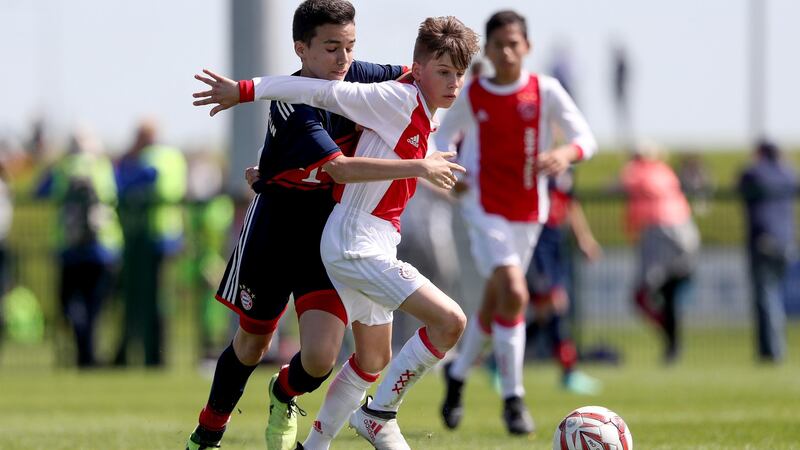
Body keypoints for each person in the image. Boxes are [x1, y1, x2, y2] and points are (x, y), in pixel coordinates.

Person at [194, 14, 480, 450]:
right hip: (280, 226)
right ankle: (208, 433)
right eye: (331, 47)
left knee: (324, 357)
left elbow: (414, 77)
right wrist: (245, 92)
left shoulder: (366, 75)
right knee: (252, 342)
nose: (344, 57)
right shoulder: (300, 104)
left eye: (349, 45)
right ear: (301, 49)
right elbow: (339, 167)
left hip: (329, 224)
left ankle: (287, 398)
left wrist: (441, 139)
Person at [433, 10, 597, 435]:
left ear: (528, 47)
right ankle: (513, 398)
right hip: (483, 209)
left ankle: (457, 375)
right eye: (499, 44)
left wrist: (565, 155)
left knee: (496, 302)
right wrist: (453, 177)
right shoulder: (474, 95)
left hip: (530, 212)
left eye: (514, 43)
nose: (507, 51)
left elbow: (585, 138)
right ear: (487, 50)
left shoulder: (546, 90)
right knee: (516, 291)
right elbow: (442, 139)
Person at [35, 127, 122, 368]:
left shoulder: (63, 168)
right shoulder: (103, 166)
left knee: (71, 304)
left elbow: (40, 191)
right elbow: (120, 191)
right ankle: (89, 356)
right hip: (103, 248)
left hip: (70, 249)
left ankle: (85, 354)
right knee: (95, 307)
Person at [114, 119, 187, 367]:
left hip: (151, 237)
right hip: (169, 235)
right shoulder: (174, 156)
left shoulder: (150, 157)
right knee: (159, 301)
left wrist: (128, 159)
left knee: (148, 301)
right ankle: (155, 356)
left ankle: (151, 356)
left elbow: (134, 182)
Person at [621, 142, 699, 363]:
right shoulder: (665, 172)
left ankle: (670, 339)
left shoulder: (639, 172)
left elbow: (621, 184)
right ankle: (672, 344)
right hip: (684, 235)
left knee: (643, 295)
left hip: (660, 235)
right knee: (667, 296)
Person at [525, 168, 602, 394]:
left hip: (556, 241)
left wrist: (584, 239)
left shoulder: (564, 166)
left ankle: (497, 361)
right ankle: (568, 371)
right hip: (537, 241)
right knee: (555, 305)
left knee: (545, 311)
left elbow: (570, 204)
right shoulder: (535, 159)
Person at [738, 140, 798, 363]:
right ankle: (767, 350)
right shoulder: (787, 173)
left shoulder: (755, 173)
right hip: (786, 241)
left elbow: (743, 183)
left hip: (764, 240)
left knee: (766, 297)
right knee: (771, 296)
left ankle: (773, 351)